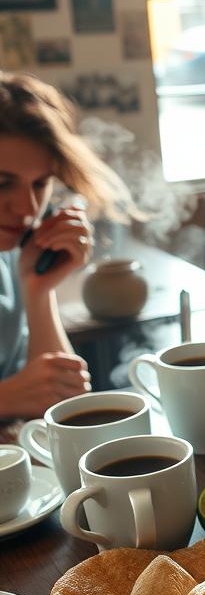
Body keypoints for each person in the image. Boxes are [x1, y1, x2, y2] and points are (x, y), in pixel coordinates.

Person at [0, 72, 125, 419]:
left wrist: (39, 291)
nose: (26, 209)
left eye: (40, 184)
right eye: (2, 183)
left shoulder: (12, 256)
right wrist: (6, 398)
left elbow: (58, 405)